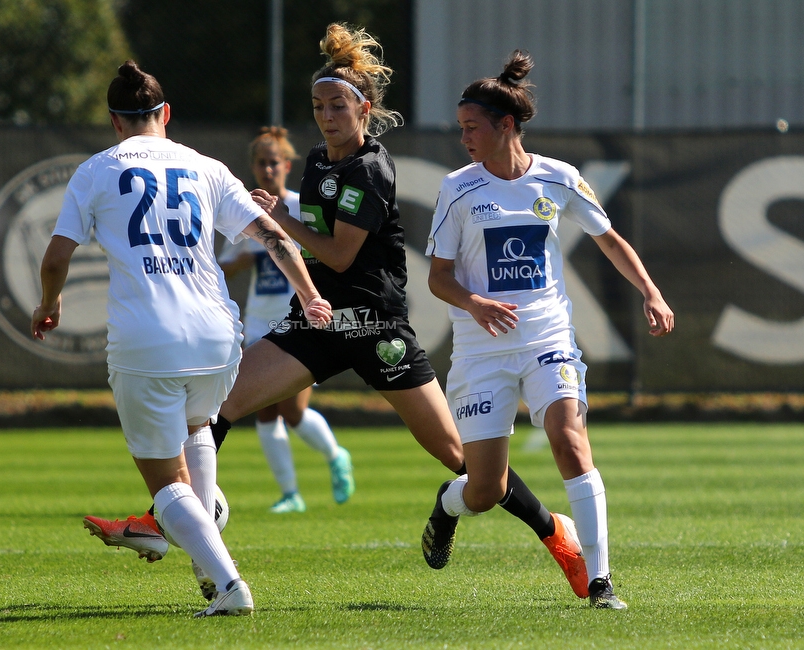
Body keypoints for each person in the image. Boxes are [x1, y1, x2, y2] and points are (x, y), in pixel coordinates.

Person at [85, 25, 591, 600]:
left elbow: (340, 253)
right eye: (319, 106)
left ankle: (557, 533)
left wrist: (281, 221)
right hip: (322, 322)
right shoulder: (319, 164)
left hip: (376, 327)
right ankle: (175, 521)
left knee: (465, 463)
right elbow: (316, 253)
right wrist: (292, 243)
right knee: (218, 407)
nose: (326, 116)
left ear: (364, 109)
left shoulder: (371, 169)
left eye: (338, 106)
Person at [31, 60, 332, 618]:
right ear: (164, 114)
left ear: (115, 122)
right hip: (219, 334)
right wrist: (310, 294)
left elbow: (55, 258)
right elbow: (272, 234)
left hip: (148, 339)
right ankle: (204, 556)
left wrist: (49, 305)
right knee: (198, 429)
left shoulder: (96, 170)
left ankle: (228, 582)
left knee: (166, 482)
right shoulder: (205, 167)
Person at [424, 50, 675, 609]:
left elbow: (609, 239)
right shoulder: (458, 188)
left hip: (547, 339)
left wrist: (651, 293)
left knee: (570, 442)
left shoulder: (559, 177)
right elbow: (439, 278)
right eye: (460, 127)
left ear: (506, 125)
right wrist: (477, 305)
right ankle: (448, 506)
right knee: (485, 491)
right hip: (480, 351)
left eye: (472, 127)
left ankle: (602, 581)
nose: (463, 137)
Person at [218, 127, 354, 513]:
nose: (266, 169)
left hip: (298, 320)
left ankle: (335, 455)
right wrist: (242, 261)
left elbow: (323, 254)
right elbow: (222, 269)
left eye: (273, 162)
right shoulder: (244, 210)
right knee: (263, 407)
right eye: (260, 163)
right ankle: (290, 493)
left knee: (293, 412)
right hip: (259, 322)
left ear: (287, 166)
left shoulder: (298, 207)